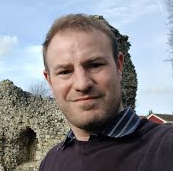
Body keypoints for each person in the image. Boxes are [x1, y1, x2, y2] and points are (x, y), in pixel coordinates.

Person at [40, 14, 173, 171]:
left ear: (119, 66)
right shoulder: (49, 161)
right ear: (49, 80)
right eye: (64, 72)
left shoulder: (165, 148)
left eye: (95, 65)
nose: (82, 84)